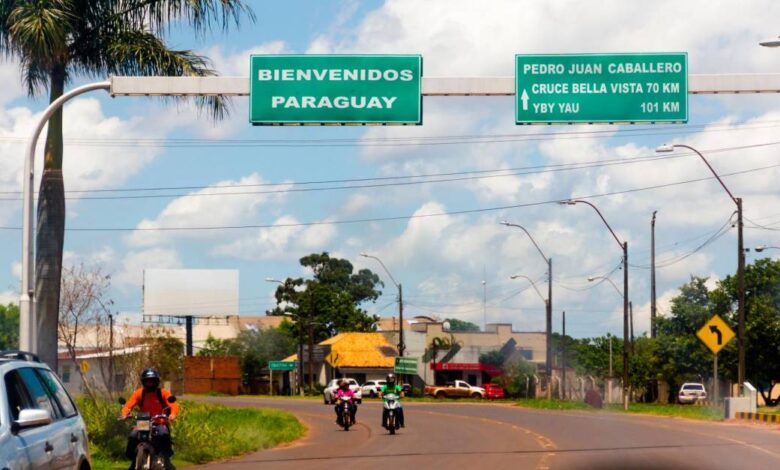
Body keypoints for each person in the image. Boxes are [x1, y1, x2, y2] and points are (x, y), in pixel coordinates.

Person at [121, 368, 179, 470]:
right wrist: (124, 414)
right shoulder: (139, 393)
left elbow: (173, 405)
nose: (150, 383)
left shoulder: (163, 393)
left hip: (159, 422)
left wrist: (173, 414)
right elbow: (128, 405)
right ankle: (134, 460)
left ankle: (166, 460)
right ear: (143, 381)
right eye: (147, 381)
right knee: (133, 436)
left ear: (156, 381)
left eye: (152, 381)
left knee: (163, 434)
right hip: (143, 422)